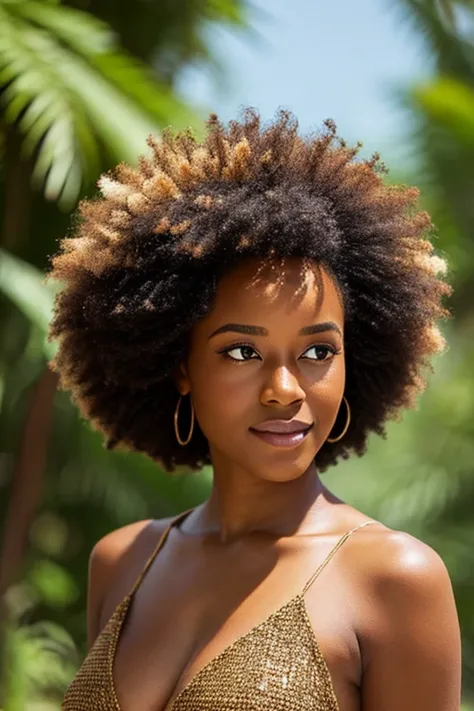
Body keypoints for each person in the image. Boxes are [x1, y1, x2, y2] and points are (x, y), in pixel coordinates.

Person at [50, 108, 461, 711]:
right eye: (242, 351)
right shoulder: (121, 560)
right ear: (180, 364)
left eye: (319, 350)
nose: (285, 388)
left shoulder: (394, 578)